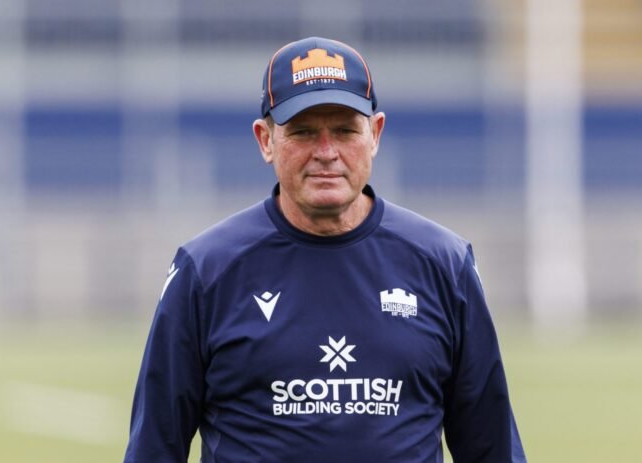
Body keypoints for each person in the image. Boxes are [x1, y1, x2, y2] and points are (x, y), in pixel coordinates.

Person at [124, 36, 527, 463]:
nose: (327, 152)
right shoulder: (207, 270)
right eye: (303, 132)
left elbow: (491, 448)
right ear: (265, 140)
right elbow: (155, 448)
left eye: (345, 131)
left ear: (375, 134)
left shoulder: (444, 263)